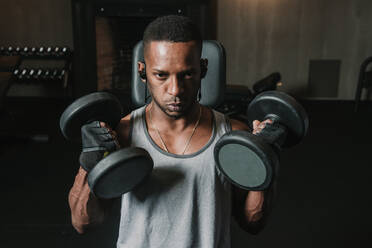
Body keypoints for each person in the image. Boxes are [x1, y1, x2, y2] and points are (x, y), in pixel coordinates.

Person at [68, 15, 275, 248]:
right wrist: (89, 161)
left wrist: (264, 161)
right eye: (161, 75)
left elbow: (252, 222)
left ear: (203, 69)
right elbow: (83, 223)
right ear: (142, 71)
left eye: (187, 74)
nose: (175, 90)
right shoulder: (122, 134)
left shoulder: (232, 135)